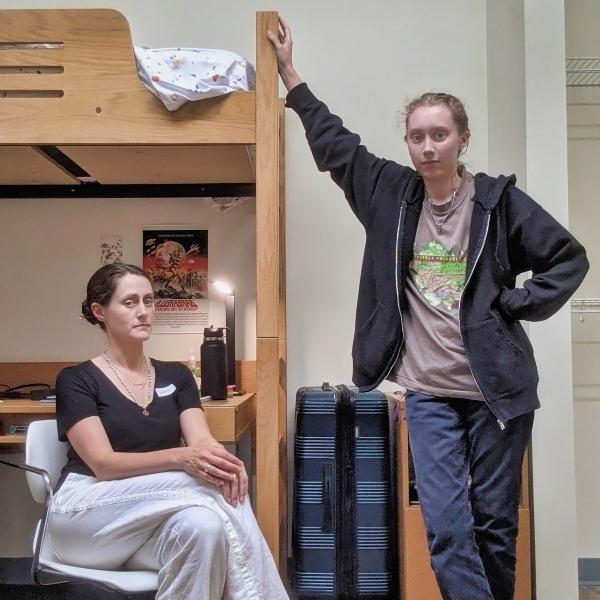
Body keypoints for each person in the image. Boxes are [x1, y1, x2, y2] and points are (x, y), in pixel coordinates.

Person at [268, 17, 589, 600]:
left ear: (462, 138)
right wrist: (293, 77)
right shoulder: (390, 193)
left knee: (494, 526)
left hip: (498, 393)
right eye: (417, 135)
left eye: (439, 134)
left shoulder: (498, 202)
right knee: (445, 527)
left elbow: (568, 259)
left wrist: (515, 302)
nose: (427, 145)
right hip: (429, 393)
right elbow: (338, 147)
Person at [49, 263, 288, 600]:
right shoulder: (77, 380)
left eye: (149, 301)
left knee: (205, 528)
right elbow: (103, 465)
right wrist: (184, 458)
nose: (144, 312)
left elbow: (201, 443)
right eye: (130, 302)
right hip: (87, 515)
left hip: (149, 522)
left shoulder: (177, 376)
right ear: (99, 311)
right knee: (209, 481)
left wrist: (217, 462)